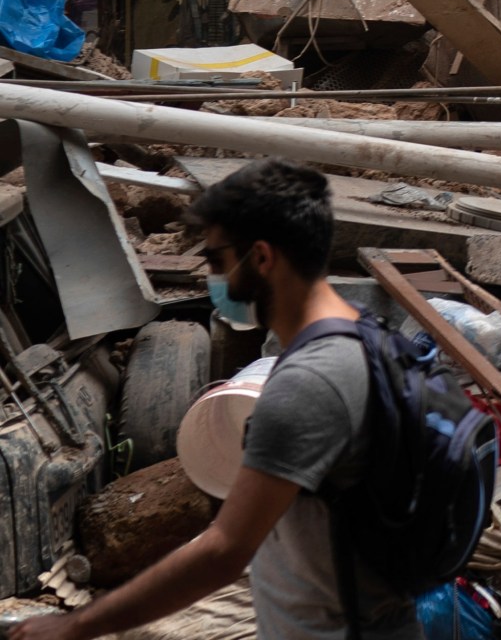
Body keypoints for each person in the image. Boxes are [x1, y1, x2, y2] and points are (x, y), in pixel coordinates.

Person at [15, 161, 421, 640]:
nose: (212, 278)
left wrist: (76, 625)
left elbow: (225, 551)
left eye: (215, 260)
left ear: (263, 258)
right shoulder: (371, 340)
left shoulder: (305, 386)